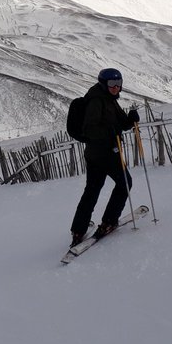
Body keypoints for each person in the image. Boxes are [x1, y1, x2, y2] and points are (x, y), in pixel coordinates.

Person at [70, 68, 141, 246]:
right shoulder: (96, 101)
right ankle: (109, 222)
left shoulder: (108, 99)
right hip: (104, 153)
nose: (116, 87)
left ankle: (78, 230)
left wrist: (131, 119)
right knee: (125, 182)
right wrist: (110, 131)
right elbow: (89, 129)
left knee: (93, 189)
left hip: (96, 153)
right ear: (103, 83)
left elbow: (120, 124)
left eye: (119, 83)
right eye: (112, 84)